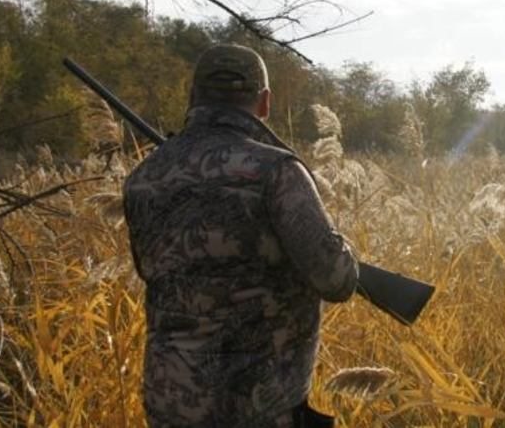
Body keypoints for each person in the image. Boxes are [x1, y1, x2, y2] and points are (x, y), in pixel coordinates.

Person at [123, 43, 358, 427]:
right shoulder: (277, 171)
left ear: (192, 95)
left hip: (172, 403)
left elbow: (150, 269)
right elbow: (336, 280)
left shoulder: (144, 178)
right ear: (263, 102)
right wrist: (344, 247)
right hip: (259, 408)